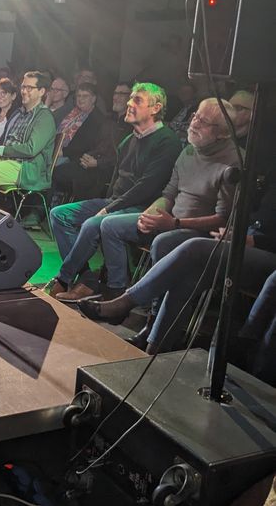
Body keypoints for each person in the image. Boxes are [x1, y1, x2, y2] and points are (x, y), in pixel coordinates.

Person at [78, 167, 276, 360]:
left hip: (265, 251)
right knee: (186, 277)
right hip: (244, 239)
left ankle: (125, 303)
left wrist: (253, 240)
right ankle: (153, 349)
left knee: (195, 247)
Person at [67, 98, 240, 301]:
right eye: (195, 116)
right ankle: (116, 291)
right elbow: (168, 194)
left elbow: (223, 219)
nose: (195, 123)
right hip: (169, 219)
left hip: (197, 231)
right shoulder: (189, 151)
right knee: (109, 225)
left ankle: (144, 303)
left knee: (160, 241)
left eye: (204, 122)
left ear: (223, 133)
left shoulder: (234, 164)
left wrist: (174, 223)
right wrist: (150, 214)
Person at [46, 82, 181, 301]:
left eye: (137, 100)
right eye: (131, 98)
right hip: (119, 202)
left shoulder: (167, 141)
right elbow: (117, 183)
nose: (129, 103)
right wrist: (108, 205)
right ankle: (87, 280)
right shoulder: (129, 141)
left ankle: (66, 279)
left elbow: (147, 187)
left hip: (143, 207)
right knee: (59, 215)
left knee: (94, 223)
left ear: (155, 108)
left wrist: (109, 209)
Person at [53, 81, 131, 200]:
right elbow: (99, 146)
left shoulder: (127, 125)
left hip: (104, 170)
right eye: (115, 93)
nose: (116, 97)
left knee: (56, 171)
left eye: (122, 94)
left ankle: (45, 206)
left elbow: (121, 155)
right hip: (90, 161)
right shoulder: (110, 119)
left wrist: (97, 162)